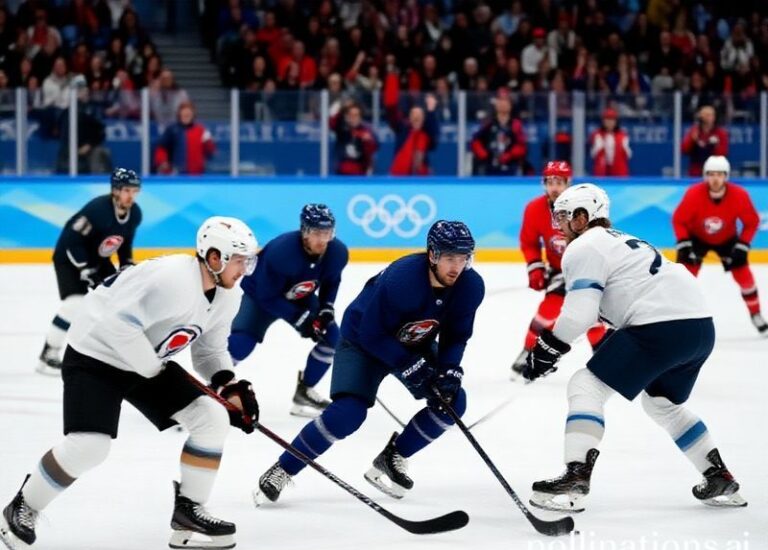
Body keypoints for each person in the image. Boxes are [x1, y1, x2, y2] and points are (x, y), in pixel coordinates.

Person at [1, 217, 260, 550]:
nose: (245, 269)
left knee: (211, 417)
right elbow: (117, 325)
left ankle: (188, 513)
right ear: (214, 258)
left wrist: (228, 386)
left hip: (142, 359)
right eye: (240, 260)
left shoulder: (227, 296)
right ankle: (24, 505)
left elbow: (209, 349)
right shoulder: (172, 279)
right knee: (89, 446)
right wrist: (153, 369)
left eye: (248, 261)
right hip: (96, 353)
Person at [524, 183, 747, 512]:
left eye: (564, 218)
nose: (559, 227)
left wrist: (548, 346)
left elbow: (581, 313)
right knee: (662, 404)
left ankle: (575, 477)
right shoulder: (618, 240)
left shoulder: (584, 246)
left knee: (585, 385)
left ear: (583, 218)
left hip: (660, 323)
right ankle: (718, 475)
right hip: (699, 327)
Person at [253, 220, 484, 503]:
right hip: (362, 342)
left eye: (463, 258)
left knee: (452, 400)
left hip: (414, 342)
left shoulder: (470, 286)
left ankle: (394, 456)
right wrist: (407, 363)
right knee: (347, 414)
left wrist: (449, 369)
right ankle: (284, 467)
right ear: (433, 255)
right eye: (450, 257)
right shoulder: (403, 278)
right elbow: (371, 333)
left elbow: (456, 335)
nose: (457, 267)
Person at [228, 204, 349, 417]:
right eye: (317, 233)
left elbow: (332, 281)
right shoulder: (281, 252)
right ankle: (212, 388)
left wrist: (326, 309)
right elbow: (267, 295)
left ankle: (305, 393)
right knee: (242, 344)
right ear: (304, 231)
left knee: (332, 337)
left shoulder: (337, 252)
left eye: (327, 233)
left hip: (298, 295)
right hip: (260, 298)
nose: (323, 239)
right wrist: (301, 319)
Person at [38, 168, 142, 374]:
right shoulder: (97, 210)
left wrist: (127, 265)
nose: (131, 195)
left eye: (135, 191)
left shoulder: (135, 214)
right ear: (115, 190)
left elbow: (124, 243)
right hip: (69, 258)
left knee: (114, 302)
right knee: (74, 304)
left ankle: (107, 355)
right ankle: (48, 355)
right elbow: (71, 241)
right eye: (127, 190)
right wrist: (85, 268)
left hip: (98, 259)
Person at [511, 161, 607, 377]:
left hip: (586, 267)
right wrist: (535, 267)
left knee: (592, 314)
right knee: (548, 309)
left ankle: (604, 357)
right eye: (550, 182)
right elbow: (529, 242)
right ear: (544, 183)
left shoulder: (583, 208)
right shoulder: (534, 208)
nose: (554, 187)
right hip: (559, 270)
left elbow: (599, 236)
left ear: (568, 183)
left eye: (560, 182)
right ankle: (529, 352)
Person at [673, 156, 766, 335]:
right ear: (705, 176)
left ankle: (756, 314)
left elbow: (752, 221)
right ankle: (675, 318)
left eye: (720, 174)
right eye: (711, 174)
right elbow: (679, 220)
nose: (715, 179)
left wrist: (743, 245)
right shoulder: (693, 193)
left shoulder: (739, 195)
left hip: (727, 240)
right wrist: (684, 243)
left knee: (745, 278)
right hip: (696, 238)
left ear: (726, 176)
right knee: (682, 279)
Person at [383, 68, 439, 176]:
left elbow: (434, 134)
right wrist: (392, 79)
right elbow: (391, 108)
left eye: (419, 116)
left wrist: (431, 111)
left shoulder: (426, 135)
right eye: (414, 115)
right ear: (409, 118)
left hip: (421, 179)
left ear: (423, 119)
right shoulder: (401, 129)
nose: (416, 118)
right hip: (399, 177)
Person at [470, 89, 527, 176]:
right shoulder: (487, 123)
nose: (503, 103)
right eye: (500, 100)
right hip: (489, 169)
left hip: (511, 168)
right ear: (495, 104)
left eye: (506, 100)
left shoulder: (516, 124)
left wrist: (510, 154)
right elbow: (475, 141)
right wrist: (484, 154)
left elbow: (522, 146)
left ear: (510, 104)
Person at [154, 101, 215, 175]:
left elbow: (210, 152)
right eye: (184, 115)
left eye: (188, 115)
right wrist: (162, 161)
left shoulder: (201, 131)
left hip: (197, 176)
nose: (186, 116)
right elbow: (161, 148)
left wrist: (208, 142)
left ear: (193, 115)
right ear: (179, 115)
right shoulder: (172, 130)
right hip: (177, 175)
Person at [329, 100, 378, 175]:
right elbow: (332, 122)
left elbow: (373, 148)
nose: (353, 118)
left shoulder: (367, 131)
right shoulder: (342, 129)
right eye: (351, 115)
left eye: (356, 115)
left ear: (360, 117)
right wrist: (342, 105)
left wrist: (367, 141)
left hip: (360, 173)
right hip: (341, 173)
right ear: (347, 116)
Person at [681, 105, 728, 177]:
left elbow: (723, 153)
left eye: (712, 115)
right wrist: (692, 140)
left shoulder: (720, 133)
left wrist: (715, 145)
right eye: (707, 115)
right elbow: (684, 150)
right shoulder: (694, 131)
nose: (710, 118)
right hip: (696, 171)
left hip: (714, 171)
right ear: (701, 117)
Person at [589, 108, 631, 177]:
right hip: (601, 170)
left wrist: (624, 148)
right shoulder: (597, 135)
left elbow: (629, 155)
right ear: (603, 121)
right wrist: (598, 148)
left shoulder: (622, 136)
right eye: (607, 119)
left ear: (616, 122)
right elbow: (592, 155)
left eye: (612, 120)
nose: (609, 122)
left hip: (618, 170)